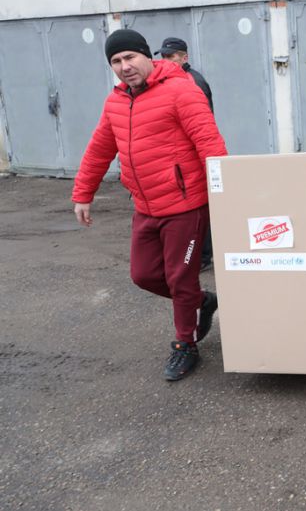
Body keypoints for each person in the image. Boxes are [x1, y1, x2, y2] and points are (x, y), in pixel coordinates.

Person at [72, 29, 227, 382]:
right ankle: (202, 301)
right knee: (143, 275)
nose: (124, 66)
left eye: (130, 57)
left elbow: (209, 142)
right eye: (116, 61)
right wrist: (83, 193)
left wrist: (224, 193)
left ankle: (185, 344)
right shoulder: (116, 101)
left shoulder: (180, 90)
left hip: (186, 204)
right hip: (146, 205)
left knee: (179, 277)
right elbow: (99, 148)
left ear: (146, 56)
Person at [155, 36, 215, 271]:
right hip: (178, 157)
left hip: (192, 156)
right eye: (163, 56)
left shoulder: (193, 82)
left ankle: (202, 258)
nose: (166, 60)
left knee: (196, 208)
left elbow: (202, 126)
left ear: (184, 57)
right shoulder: (173, 80)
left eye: (171, 56)